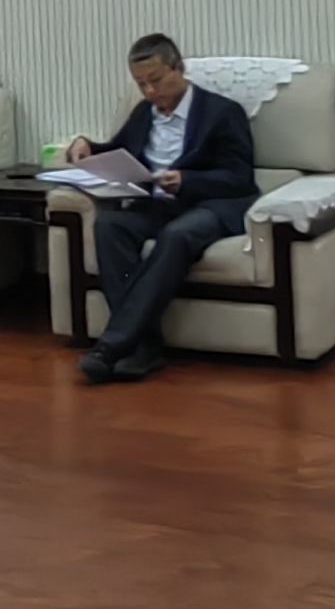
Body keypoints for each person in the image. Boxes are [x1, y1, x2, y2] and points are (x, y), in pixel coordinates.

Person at [70, 35, 259, 386]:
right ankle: (144, 347)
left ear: (179, 68)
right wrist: (87, 146)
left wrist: (187, 181)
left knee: (177, 235)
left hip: (210, 206)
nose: (150, 92)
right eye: (141, 84)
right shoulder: (144, 113)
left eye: (156, 81)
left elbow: (240, 178)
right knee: (110, 225)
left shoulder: (222, 112)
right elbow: (120, 151)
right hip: (156, 204)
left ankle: (111, 347)